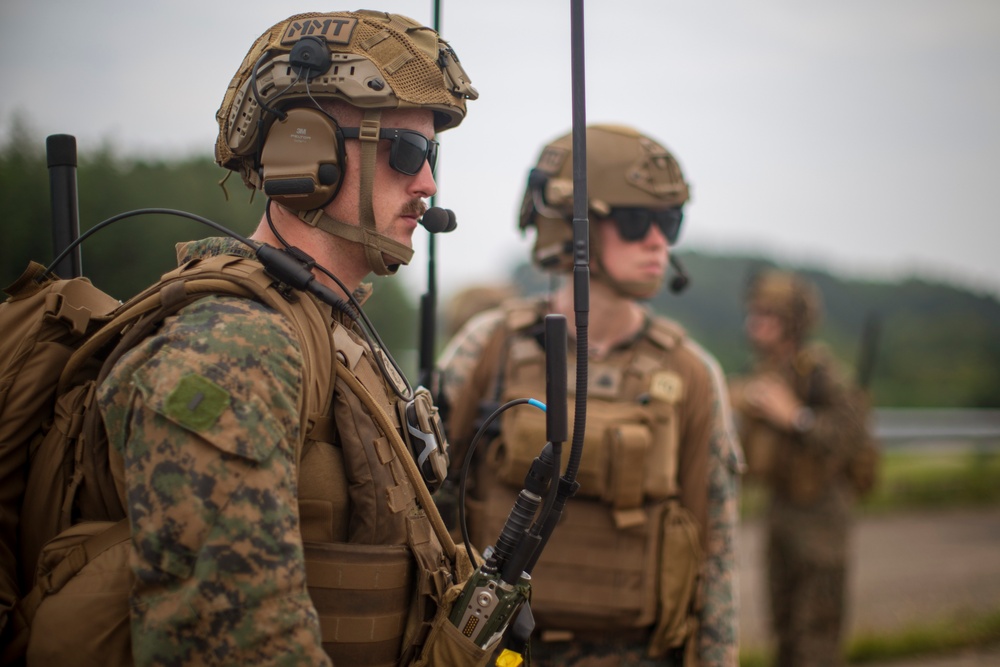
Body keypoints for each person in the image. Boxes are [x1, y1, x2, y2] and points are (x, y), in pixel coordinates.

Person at [90, 10, 487, 666]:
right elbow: (224, 642)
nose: (428, 184)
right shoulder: (234, 347)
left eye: (431, 155)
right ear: (306, 152)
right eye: (407, 152)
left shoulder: (336, 332)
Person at [437, 124, 743, 667]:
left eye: (669, 221)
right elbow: (430, 505)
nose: (658, 240)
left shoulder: (693, 373)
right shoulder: (488, 346)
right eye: (634, 221)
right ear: (569, 226)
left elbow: (714, 553)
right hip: (494, 651)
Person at [729, 269, 867, 667]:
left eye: (767, 315)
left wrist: (795, 417)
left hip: (820, 517)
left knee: (816, 636)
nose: (755, 324)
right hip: (781, 510)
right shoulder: (767, 373)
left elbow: (851, 432)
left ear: (793, 322)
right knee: (785, 629)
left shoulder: (820, 372)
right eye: (754, 313)